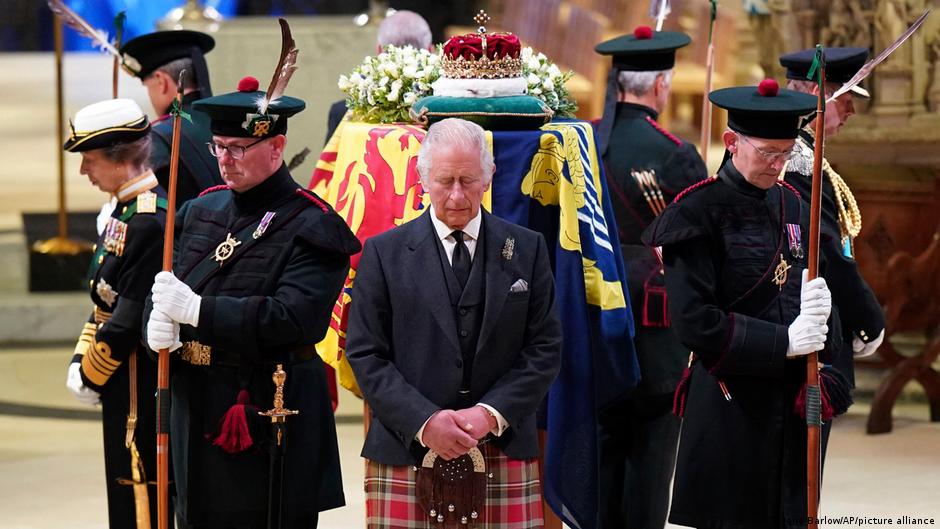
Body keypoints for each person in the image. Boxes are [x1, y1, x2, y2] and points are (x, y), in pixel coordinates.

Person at [144, 75, 361, 529]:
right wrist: (156, 323)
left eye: (238, 149)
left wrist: (198, 312)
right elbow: (168, 287)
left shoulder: (313, 225)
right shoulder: (200, 210)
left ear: (277, 148)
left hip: (268, 416)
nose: (225, 160)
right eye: (218, 147)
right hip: (196, 407)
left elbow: (294, 319)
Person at [643, 80, 845, 528]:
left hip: (790, 402)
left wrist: (817, 312)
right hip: (729, 402)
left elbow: (798, 285)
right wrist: (783, 341)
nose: (778, 166)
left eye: (787, 153)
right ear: (732, 142)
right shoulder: (695, 213)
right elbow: (695, 322)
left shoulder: (794, 204)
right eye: (768, 153)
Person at [345, 118, 562, 528]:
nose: (458, 195)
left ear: (489, 176)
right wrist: (425, 422)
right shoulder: (382, 253)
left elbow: (545, 348)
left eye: (469, 179)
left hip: (503, 444)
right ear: (423, 178)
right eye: (446, 181)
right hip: (405, 446)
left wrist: (489, 413)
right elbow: (365, 353)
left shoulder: (528, 249)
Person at [593, 25, 708, 529]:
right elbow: (704, 244)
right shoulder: (674, 154)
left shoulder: (582, 143)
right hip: (655, 326)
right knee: (653, 452)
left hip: (592, 313)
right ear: (661, 85)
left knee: (599, 452)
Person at [63, 98, 168, 529]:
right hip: (119, 377)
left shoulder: (147, 220)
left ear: (120, 159)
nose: (84, 171)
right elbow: (103, 303)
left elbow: (125, 320)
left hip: (135, 384)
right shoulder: (123, 211)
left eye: (90, 160)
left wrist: (90, 372)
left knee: (136, 485)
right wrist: (80, 358)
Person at [779, 47, 886, 388]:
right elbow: (826, 248)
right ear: (816, 95)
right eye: (846, 97)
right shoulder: (795, 158)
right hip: (805, 322)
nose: (853, 110)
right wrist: (869, 319)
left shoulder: (802, 150)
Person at [120, 29, 223, 204]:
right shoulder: (229, 122)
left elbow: (150, 215)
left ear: (162, 81)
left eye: (148, 86)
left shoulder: (160, 136)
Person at [324, 9, 433, 142]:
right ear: (430, 50)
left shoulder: (342, 114)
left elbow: (330, 161)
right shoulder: (446, 114)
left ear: (379, 50)